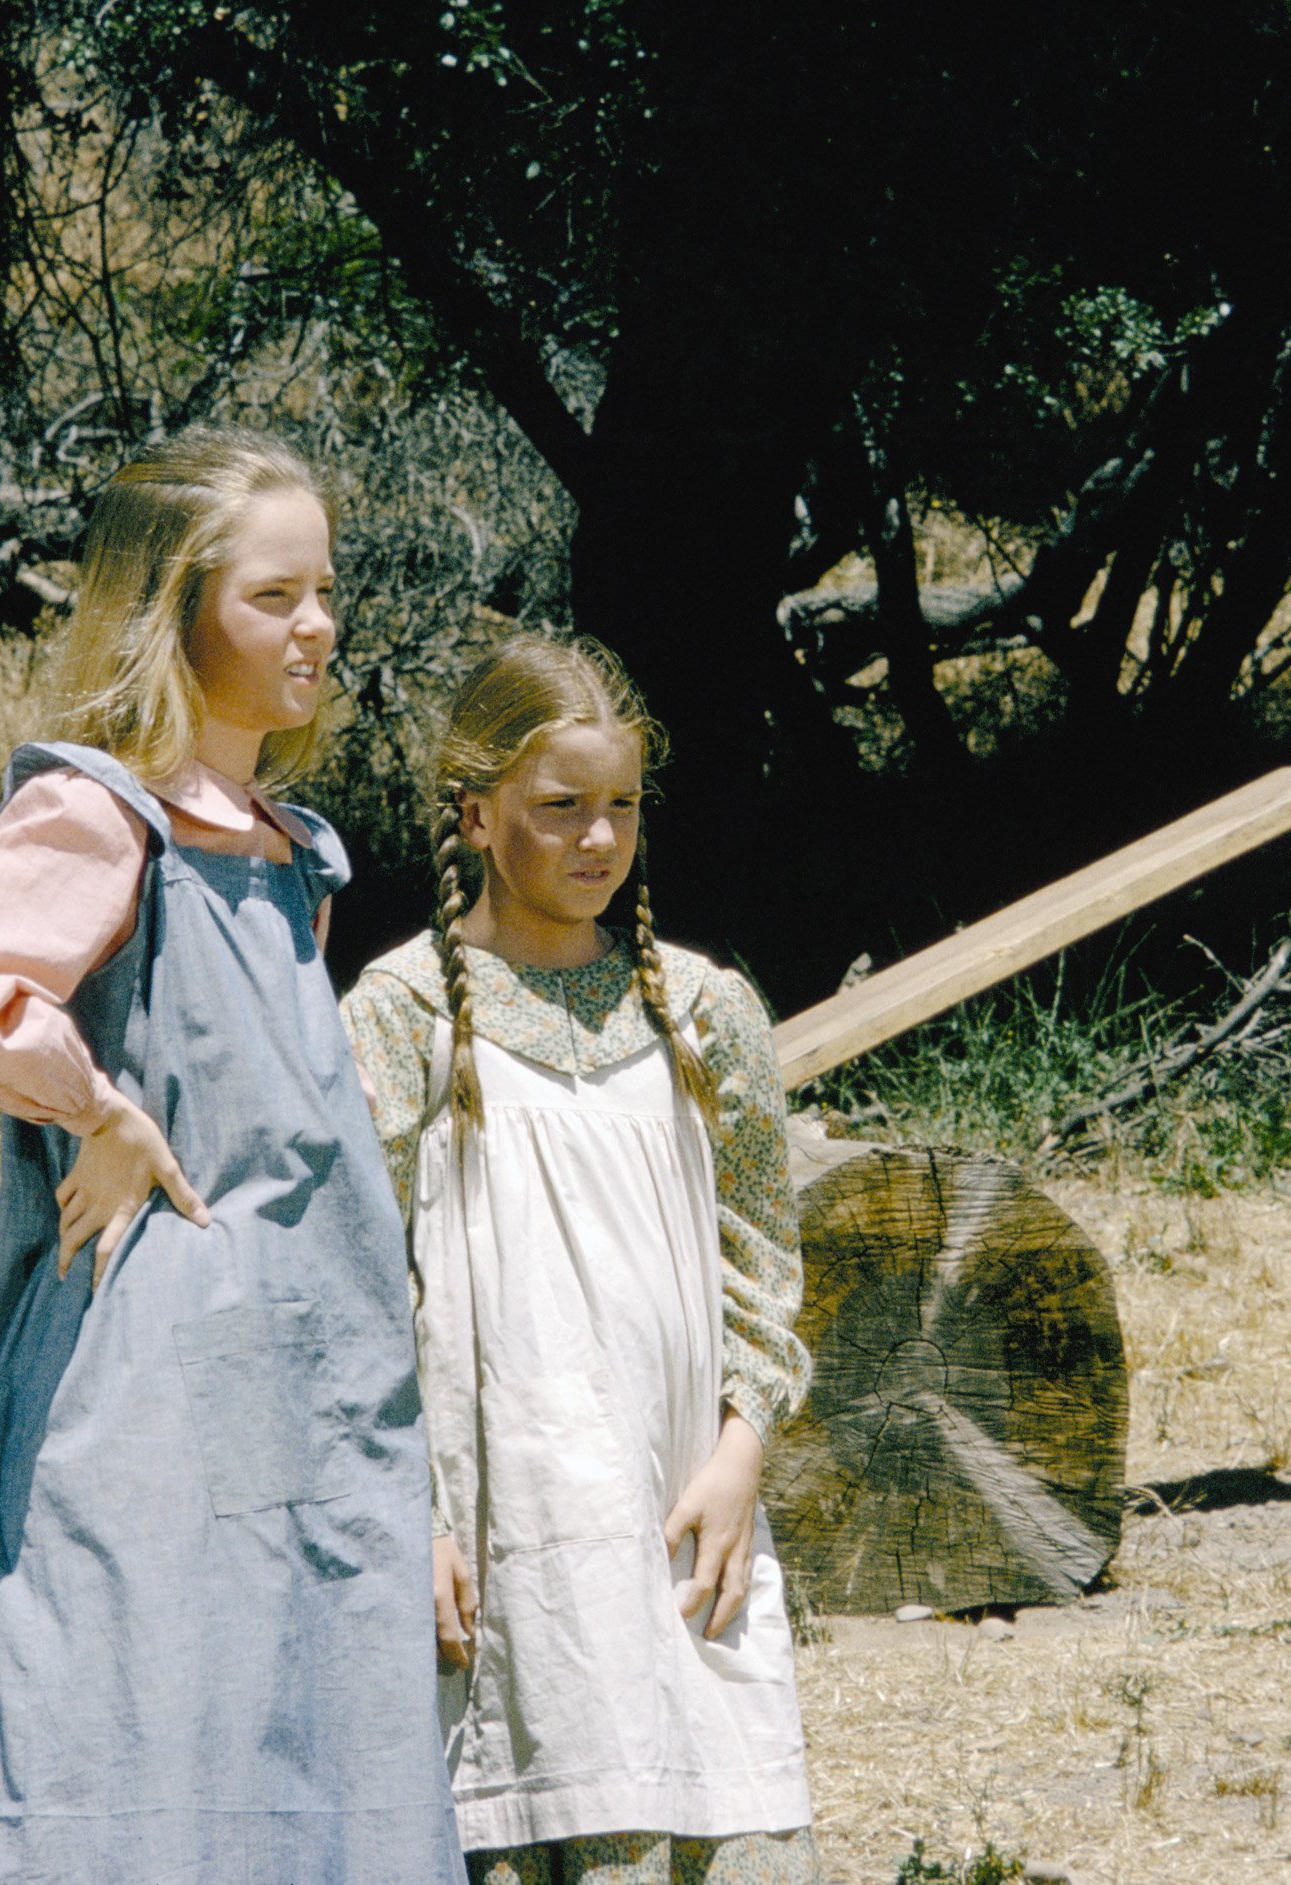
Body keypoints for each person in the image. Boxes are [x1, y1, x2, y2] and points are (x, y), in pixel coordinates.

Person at [0, 430, 459, 1884]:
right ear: (174, 611)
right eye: (274, 597)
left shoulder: (285, 849)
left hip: (303, 1353)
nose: (317, 626)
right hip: (150, 1370)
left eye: (326, 590)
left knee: (287, 1693)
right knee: (126, 1698)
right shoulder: (101, 814)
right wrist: (90, 1102)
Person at [340, 634, 822, 1885]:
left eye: (621, 805)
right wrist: (412, 1516)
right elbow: (355, 1285)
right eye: (560, 808)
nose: (598, 838)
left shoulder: (704, 1008)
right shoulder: (401, 1016)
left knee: (728, 1800)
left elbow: (763, 1260)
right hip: (504, 1520)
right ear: (477, 812)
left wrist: (741, 1450)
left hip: (681, 1505)